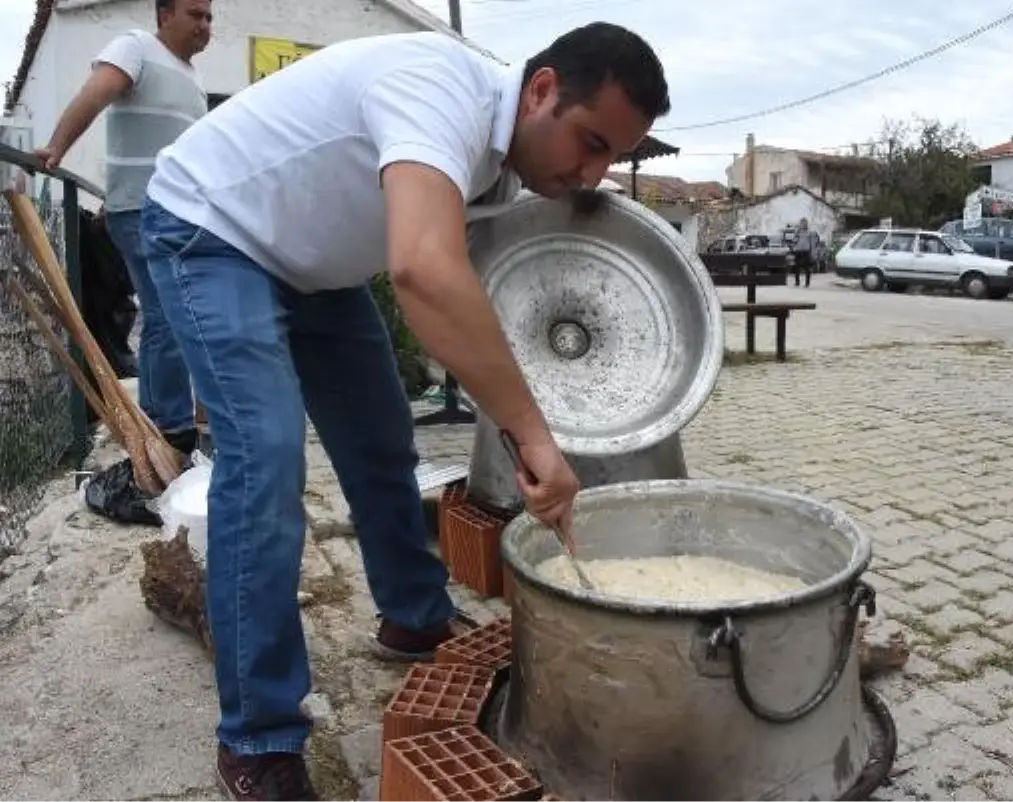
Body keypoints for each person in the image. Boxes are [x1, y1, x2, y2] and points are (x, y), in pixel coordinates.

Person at [139, 22, 669, 800]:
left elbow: (472, 300)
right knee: (266, 459)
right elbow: (423, 270)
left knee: (384, 442)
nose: (593, 174)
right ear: (542, 89)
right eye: (590, 143)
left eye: (611, 158)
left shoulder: (504, 167)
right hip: (211, 231)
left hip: (315, 267)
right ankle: (258, 739)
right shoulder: (438, 87)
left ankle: (415, 617)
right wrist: (534, 436)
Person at [35, 0, 213, 455]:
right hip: (143, 209)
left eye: (209, 17)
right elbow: (94, 95)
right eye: (195, 14)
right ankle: (169, 426)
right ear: (164, 14)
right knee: (168, 315)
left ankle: (161, 418)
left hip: (176, 212)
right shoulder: (135, 47)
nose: (205, 26)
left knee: (169, 315)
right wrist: (55, 148)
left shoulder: (191, 79)